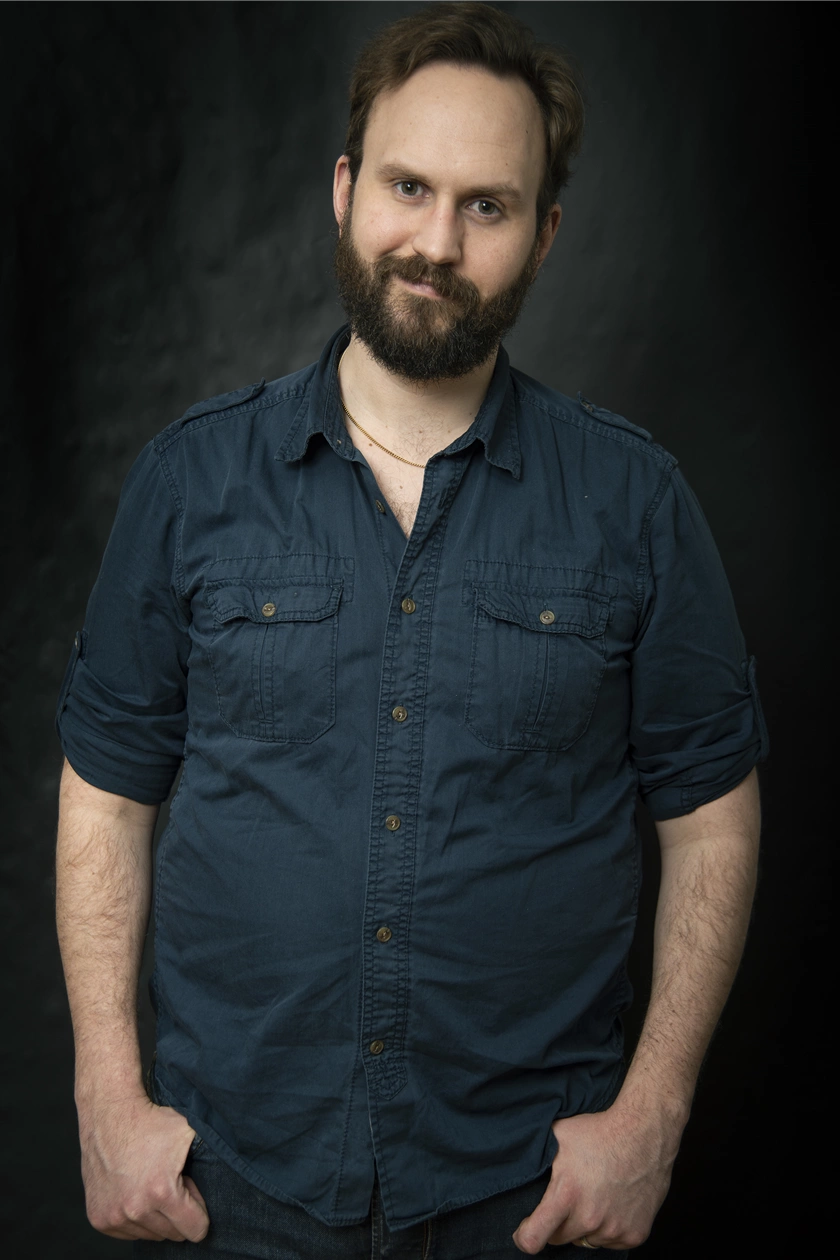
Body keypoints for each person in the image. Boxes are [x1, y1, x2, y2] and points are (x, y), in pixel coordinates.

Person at [55, 4, 766, 1256]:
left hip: (525, 1193)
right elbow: (107, 797)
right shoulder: (191, 480)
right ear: (345, 189)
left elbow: (711, 820)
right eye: (408, 187)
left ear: (545, 235)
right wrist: (105, 1099)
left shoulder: (637, 502)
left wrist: (653, 1117)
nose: (436, 242)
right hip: (235, 1183)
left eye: (488, 206)